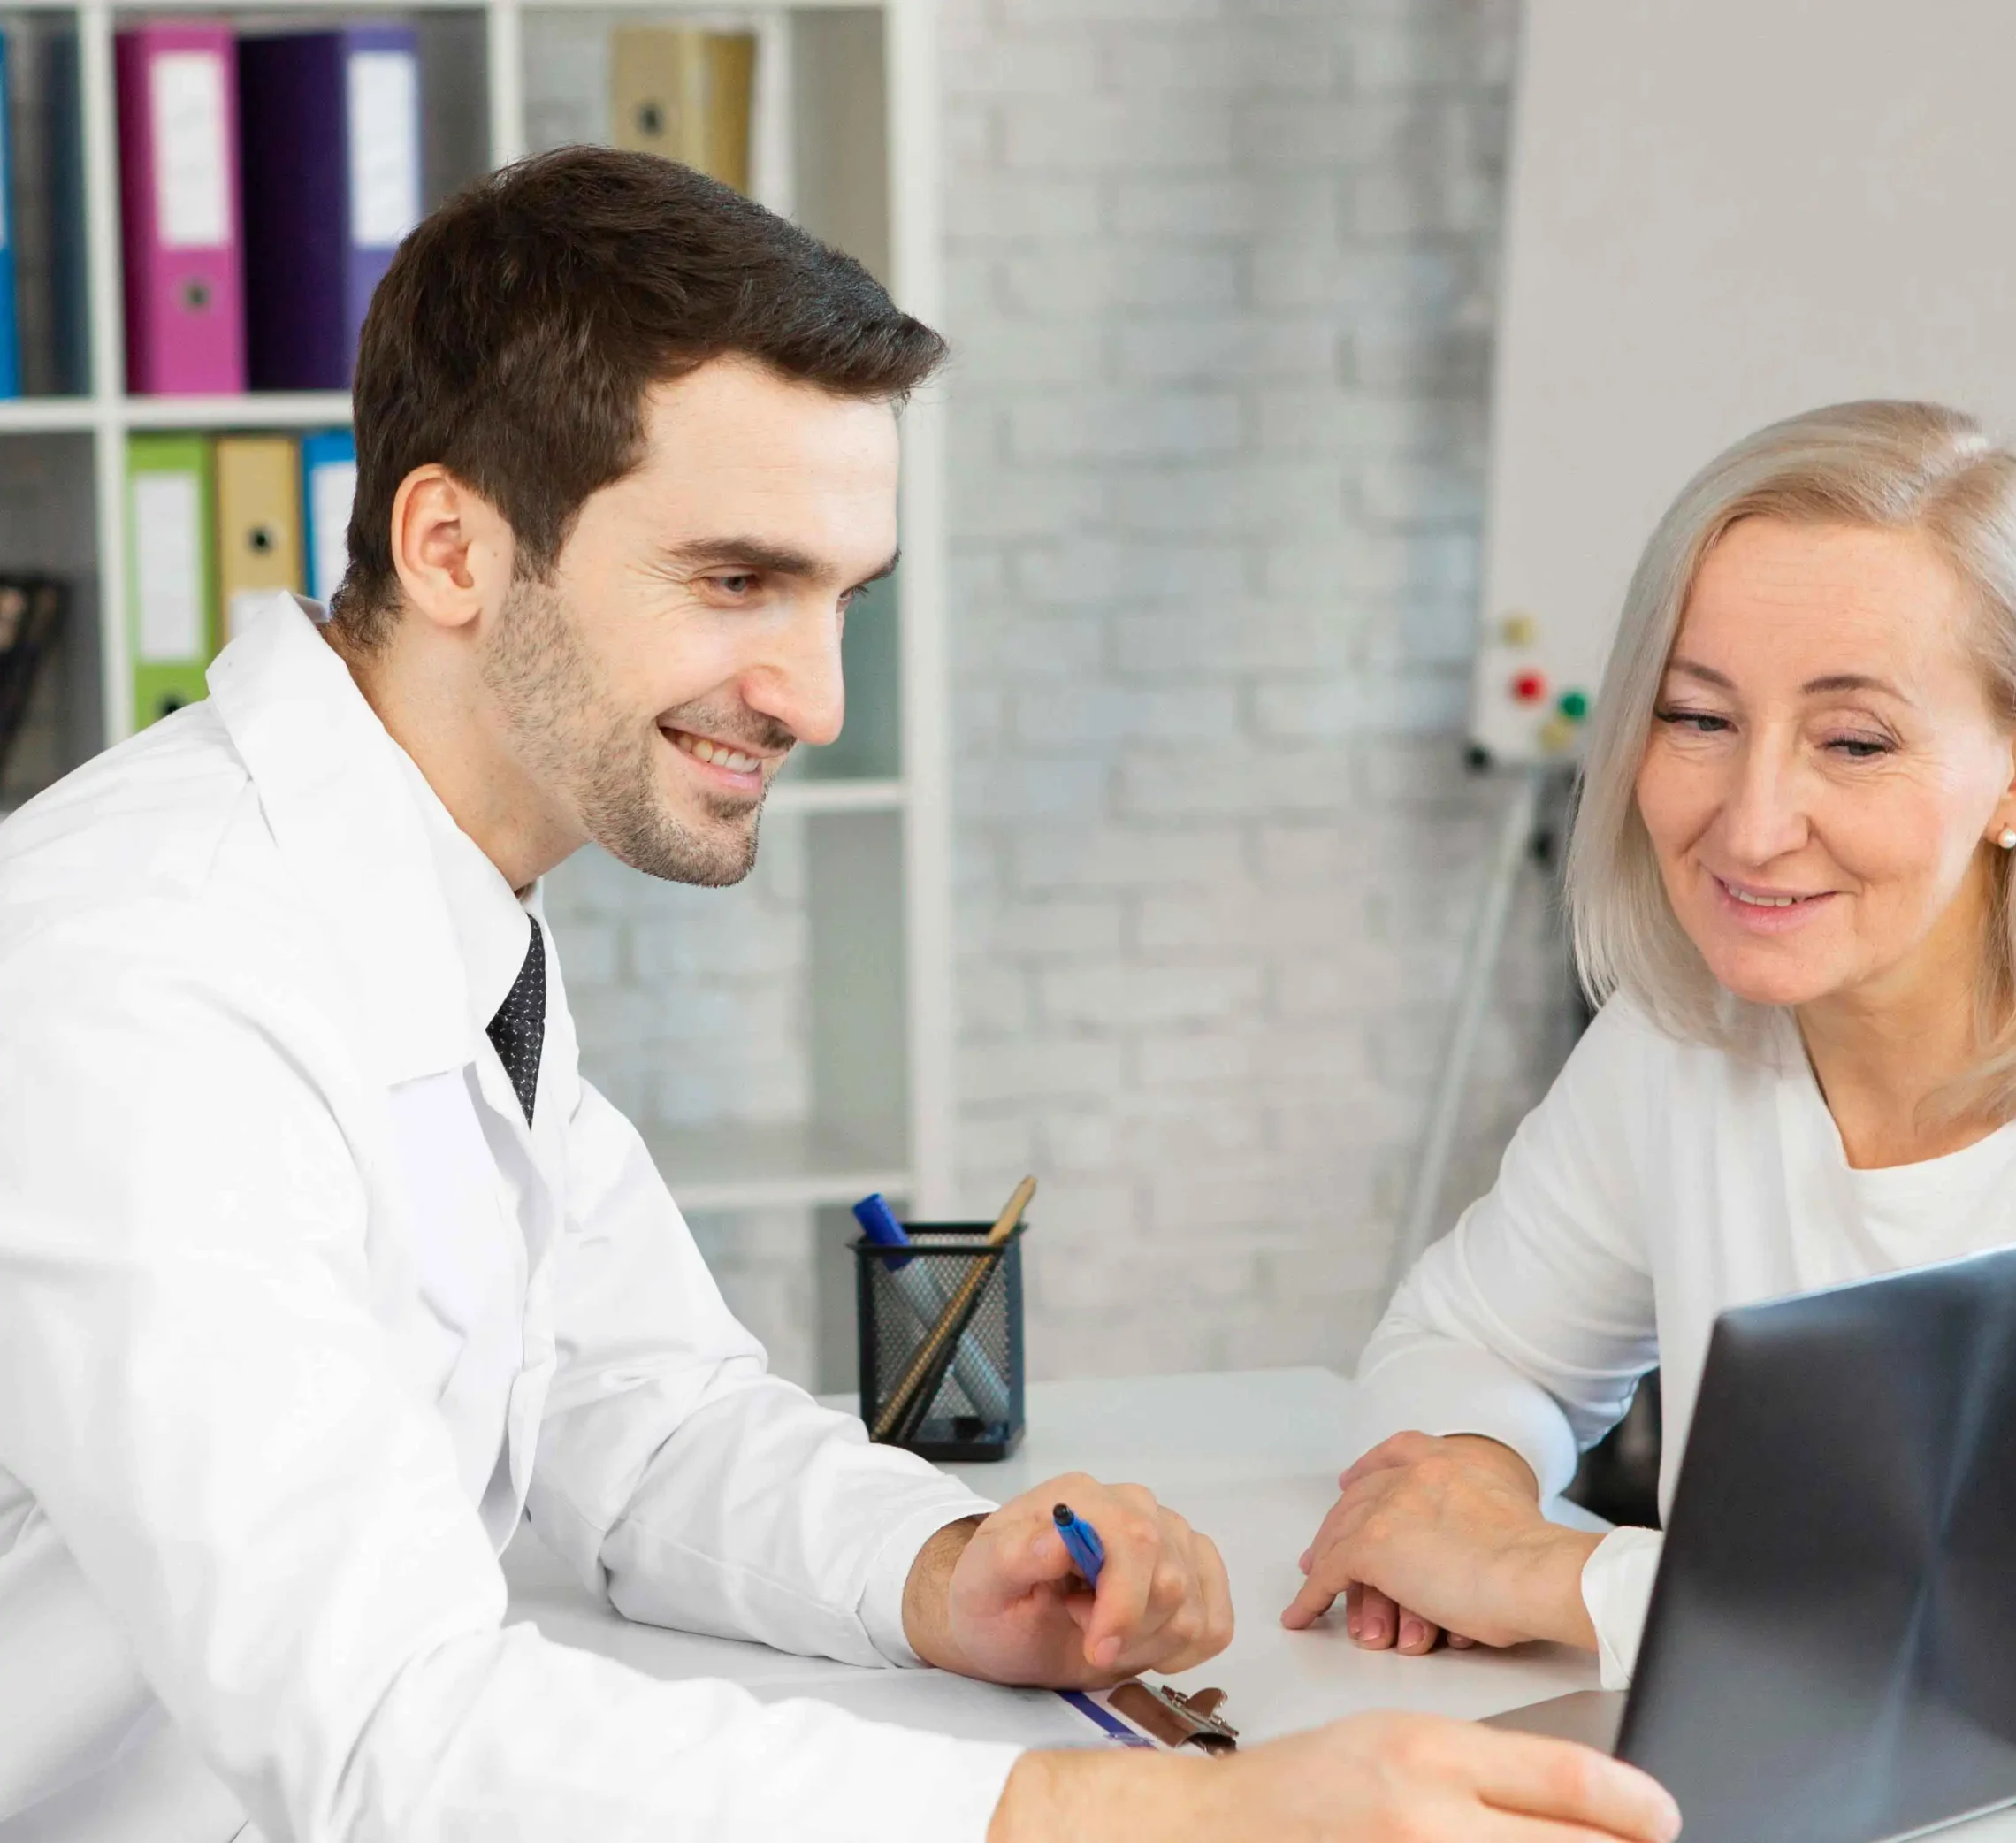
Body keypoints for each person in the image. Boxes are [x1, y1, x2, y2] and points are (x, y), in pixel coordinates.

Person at [0, 149, 1680, 1843]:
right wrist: (1152, 1821)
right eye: (736, 581)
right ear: (452, 544)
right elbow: (386, 1730)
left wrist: (943, 1573)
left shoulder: (431, 903)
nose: (813, 698)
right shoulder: (143, 976)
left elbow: (636, 1416)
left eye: (838, 597)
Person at [1287, 401, 2016, 1842]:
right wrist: (1465, 1485)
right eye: (1697, 719)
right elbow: (1468, 1344)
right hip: (1809, 1798)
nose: (1748, 826)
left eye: (1853, 742)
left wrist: (1550, 1578)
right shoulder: (1695, 1024)